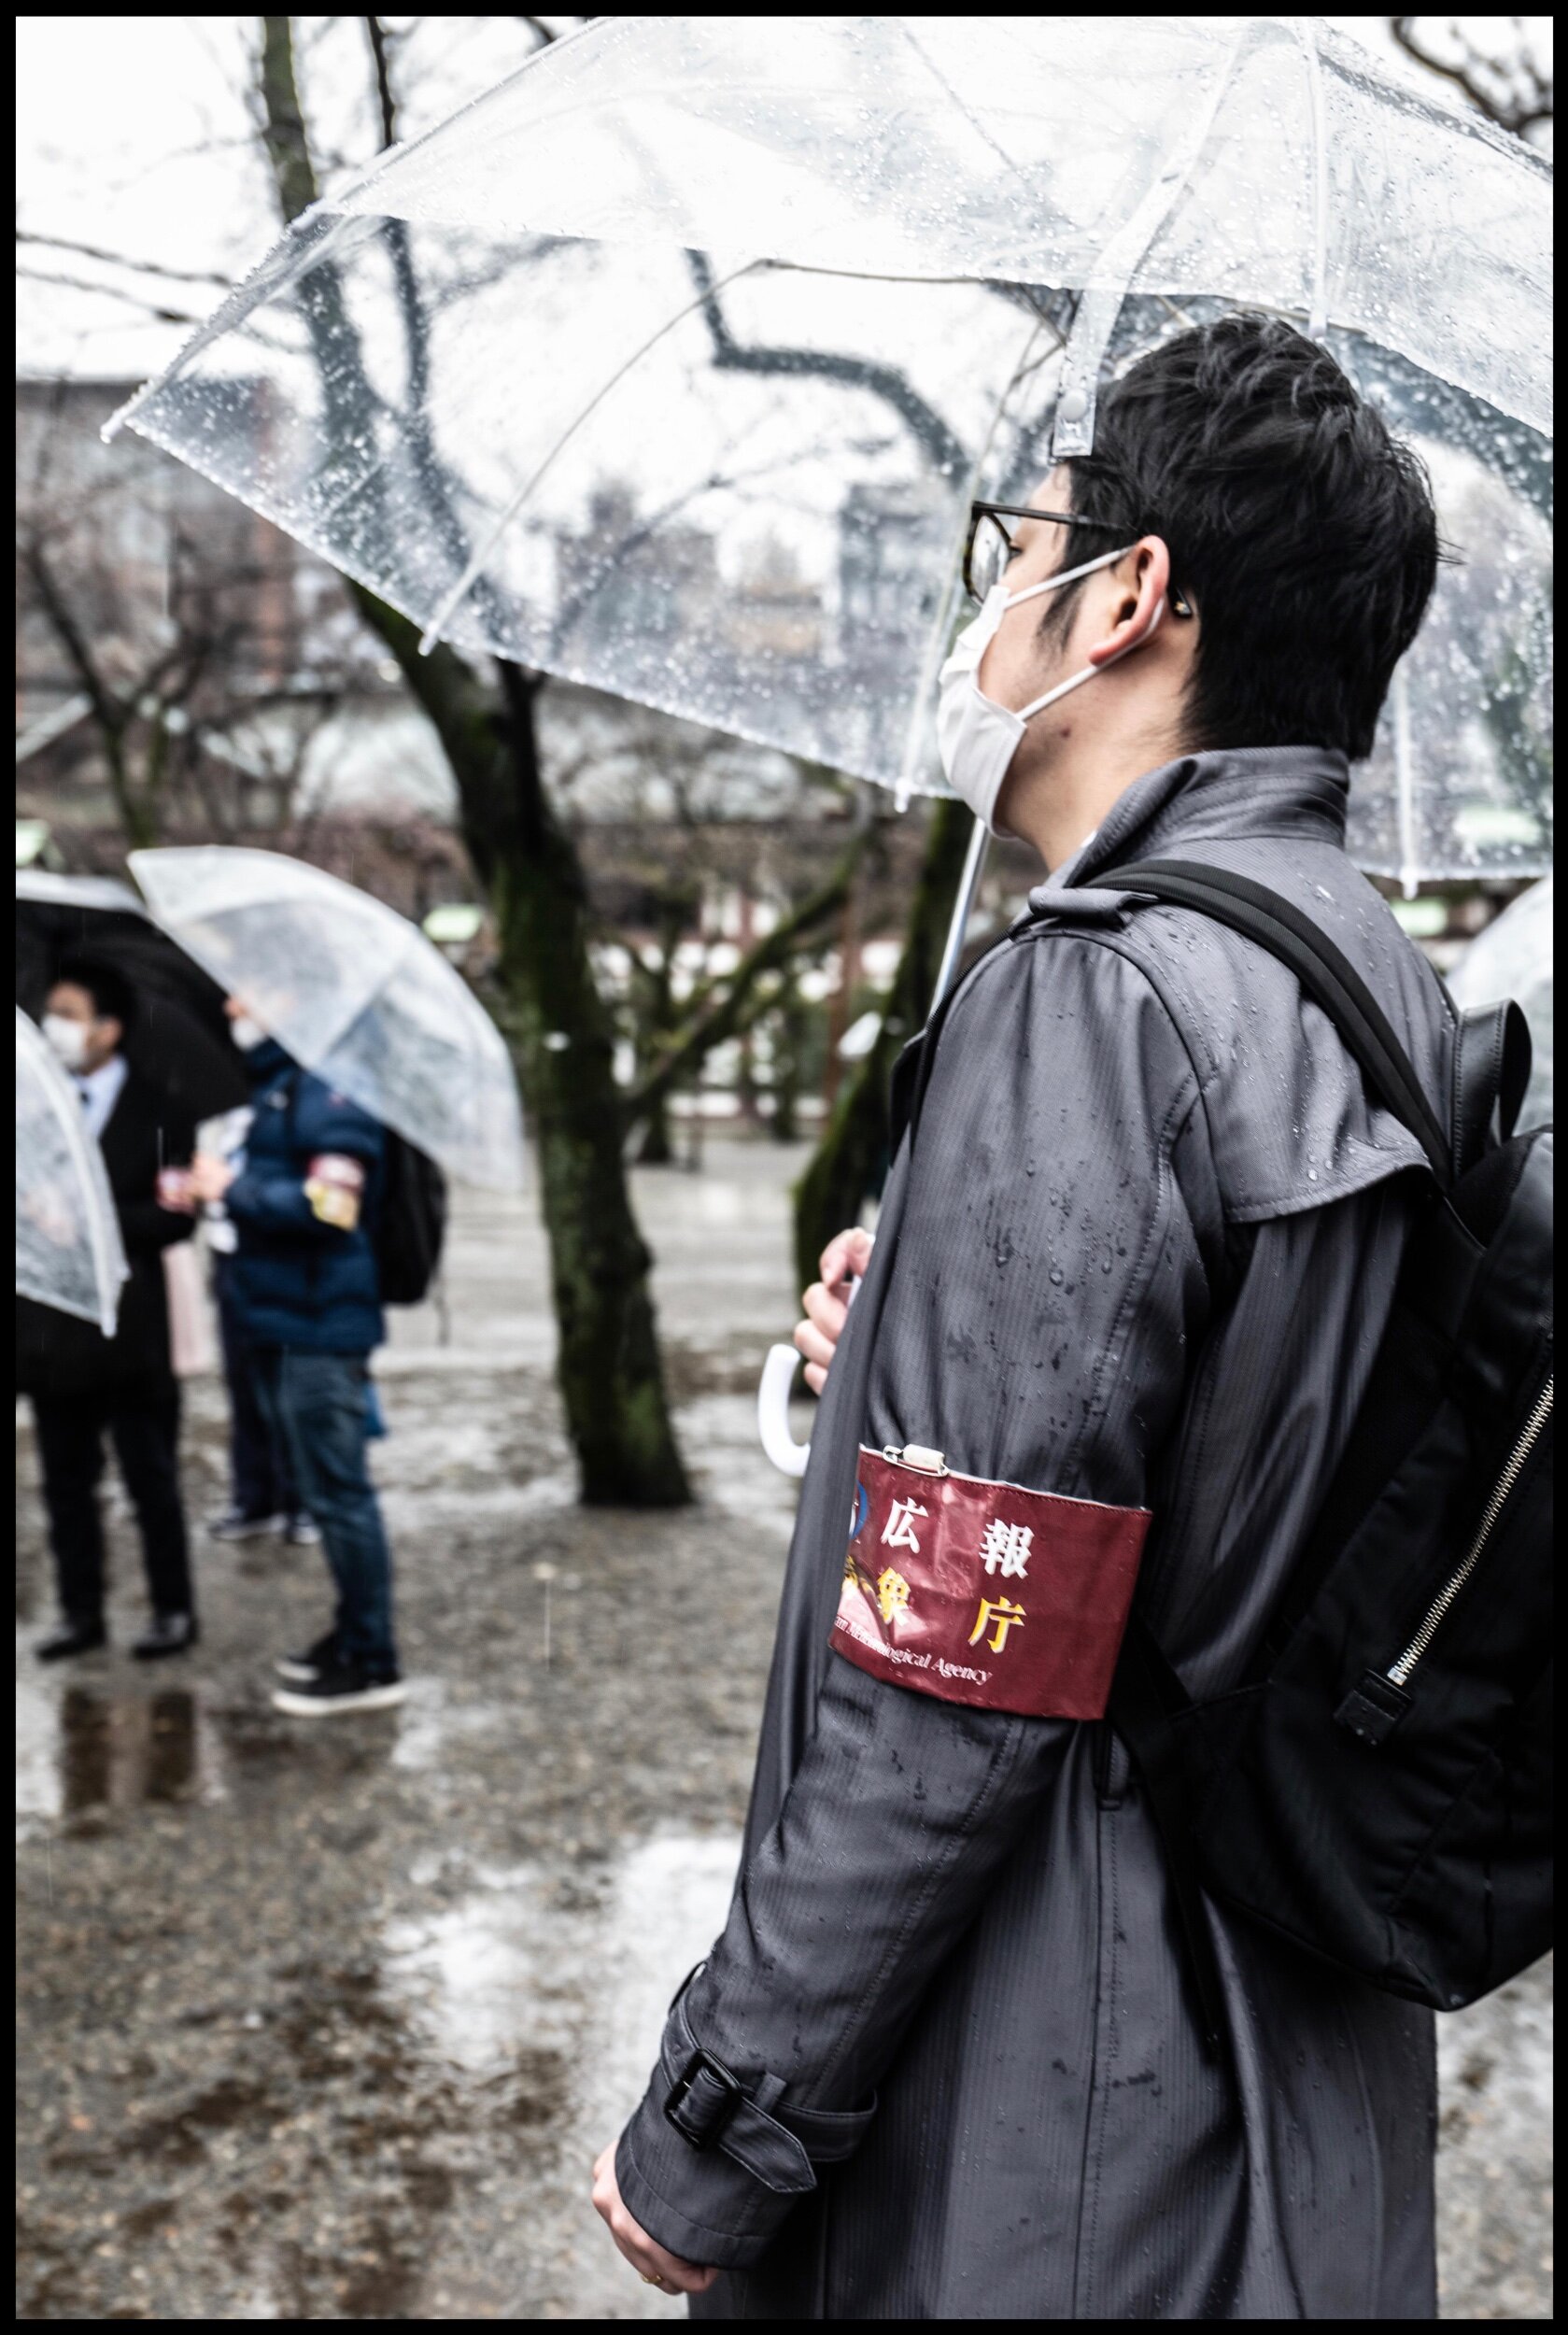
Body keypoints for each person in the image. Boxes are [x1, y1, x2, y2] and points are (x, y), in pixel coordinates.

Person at [593, 317, 1453, 2316]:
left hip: (1053, 2104)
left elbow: (959, 1676)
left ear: (1130, 596)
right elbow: (1220, 1455)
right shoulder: (1366, 987)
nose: (990, 604)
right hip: (1283, 2069)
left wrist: (719, 2115)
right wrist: (908, 1317)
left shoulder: (1094, 991)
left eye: (1018, 547)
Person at [185, 998, 405, 1717]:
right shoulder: (273, 1082)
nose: (230, 1005)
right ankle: (350, 1633)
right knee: (325, 1493)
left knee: (342, 1500)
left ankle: (373, 1659)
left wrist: (233, 1188)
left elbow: (332, 1207)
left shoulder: (330, 1082)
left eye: (245, 990)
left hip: (319, 1329)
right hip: (278, 1319)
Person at [18, 959, 200, 1661]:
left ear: (108, 1028)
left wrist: (90, 1221)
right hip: (50, 1333)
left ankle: (173, 1608)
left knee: (149, 1474)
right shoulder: (32, 1108)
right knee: (65, 1480)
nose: (56, 1027)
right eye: (50, 1012)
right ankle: (79, 1610)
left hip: (133, 1330)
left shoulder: (163, 1109)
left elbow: (172, 1219)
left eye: (69, 1012)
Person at [200, 1101, 319, 1549]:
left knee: (284, 1390)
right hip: (229, 1256)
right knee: (242, 1383)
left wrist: (232, 1187)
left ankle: (301, 1499)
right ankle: (255, 1497)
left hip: (275, 1261)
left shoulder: (292, 1105)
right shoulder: (220, 1114)